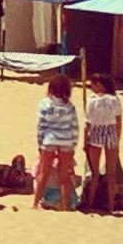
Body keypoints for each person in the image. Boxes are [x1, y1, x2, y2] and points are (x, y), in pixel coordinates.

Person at [82, 71, 123, 212]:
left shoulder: (91, 100)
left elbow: (88, 124)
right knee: (111, 172)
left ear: (99, 85)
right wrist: (117, 140)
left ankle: (90, 203)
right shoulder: (114, 100)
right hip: (110, 132)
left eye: (93, 84)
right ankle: (110, 205)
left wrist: (85, 141)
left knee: (94, 173)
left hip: (96, 131)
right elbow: (118, 122)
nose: (91, 87)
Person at [35, 74, 80, 209]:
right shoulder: (69, 106)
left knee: (43, 173)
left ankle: (35, 204)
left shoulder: (45, 104)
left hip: (49, 139)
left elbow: (41, 125)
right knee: (64, 176)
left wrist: (40, 142)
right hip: (66, 140)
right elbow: (74, 126)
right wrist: (74, 143)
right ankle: (66, 206)